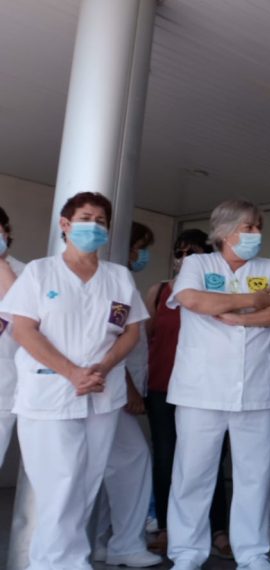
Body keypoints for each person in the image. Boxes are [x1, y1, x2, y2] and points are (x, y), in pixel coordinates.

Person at [0, 192, 147, 569]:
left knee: (85, 484)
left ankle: (70, 560)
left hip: (102, 393)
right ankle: (52, 563)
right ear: (65, 225)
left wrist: (103, 367)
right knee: (58, 487)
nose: (93, 226)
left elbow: (130, 331)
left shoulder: (118, 276)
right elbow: (24, 329)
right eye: (85, 218)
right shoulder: (39, 272)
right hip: (50, 391)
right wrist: (72, 372)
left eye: (100, 221)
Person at [165, 200, 270, 570]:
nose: (256, 234)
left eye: (258, 227)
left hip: (258, 391)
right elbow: (192, 299)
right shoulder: (198, 264)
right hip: (201, 390)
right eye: (248, 227)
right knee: (193, 475)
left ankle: (252, 553)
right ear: (224, 231)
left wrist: (243, 319)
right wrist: (253, 301)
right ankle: (187, 553)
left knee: (255, 477)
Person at [143, 229, 233, 558]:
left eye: (191, 252)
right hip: (163, 387)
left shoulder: (219, 290)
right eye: (179, 253)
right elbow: (147, 339)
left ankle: (217, 529)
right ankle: (167, 528)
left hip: (206, 388)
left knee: (210, 460)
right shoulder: (159, 291)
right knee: (166, 459)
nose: (183, 259)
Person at [93, 222, 164, 567]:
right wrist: (132, 391)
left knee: (116, 466)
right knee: (130, 460)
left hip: (116, 390)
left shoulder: (121, 281)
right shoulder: (114, 282)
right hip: (112, 390)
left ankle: (106, 542)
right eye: (139, 247)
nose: (141, 255)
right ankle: (119, 543)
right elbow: (112, 341)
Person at [0, 206, 26, 470]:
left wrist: (1, 265)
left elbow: (23, 315)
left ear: (6, 233)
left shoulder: (26, 273)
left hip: (3, 384)